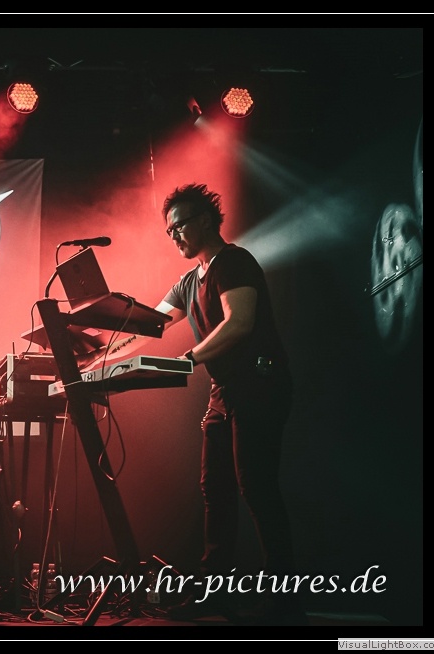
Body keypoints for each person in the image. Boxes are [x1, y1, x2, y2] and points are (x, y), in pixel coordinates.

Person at [153, 183, 305, 625]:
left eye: (179, 226)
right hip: (223, 393)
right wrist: (96, 349)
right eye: (169, 231)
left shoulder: (233, 262)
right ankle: (215, 595)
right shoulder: (188, 282)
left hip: (259, 386)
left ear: (205, 221)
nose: (174, 236)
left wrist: (190, 358)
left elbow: (239, 323)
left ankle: (285, 601)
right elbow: (149, 324)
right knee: (215, 491)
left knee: (256, 488)